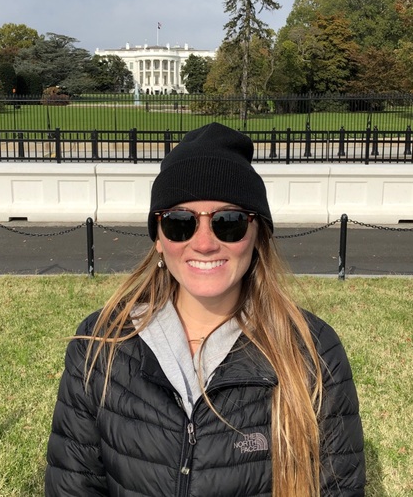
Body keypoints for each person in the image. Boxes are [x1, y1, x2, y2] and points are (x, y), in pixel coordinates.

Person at [45, 123, 365, 496]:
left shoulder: (312, 351)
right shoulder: (100, 344)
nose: (204, 244)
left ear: (257, 233)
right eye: (180, 223)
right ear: (159, 238)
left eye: (228, 222)